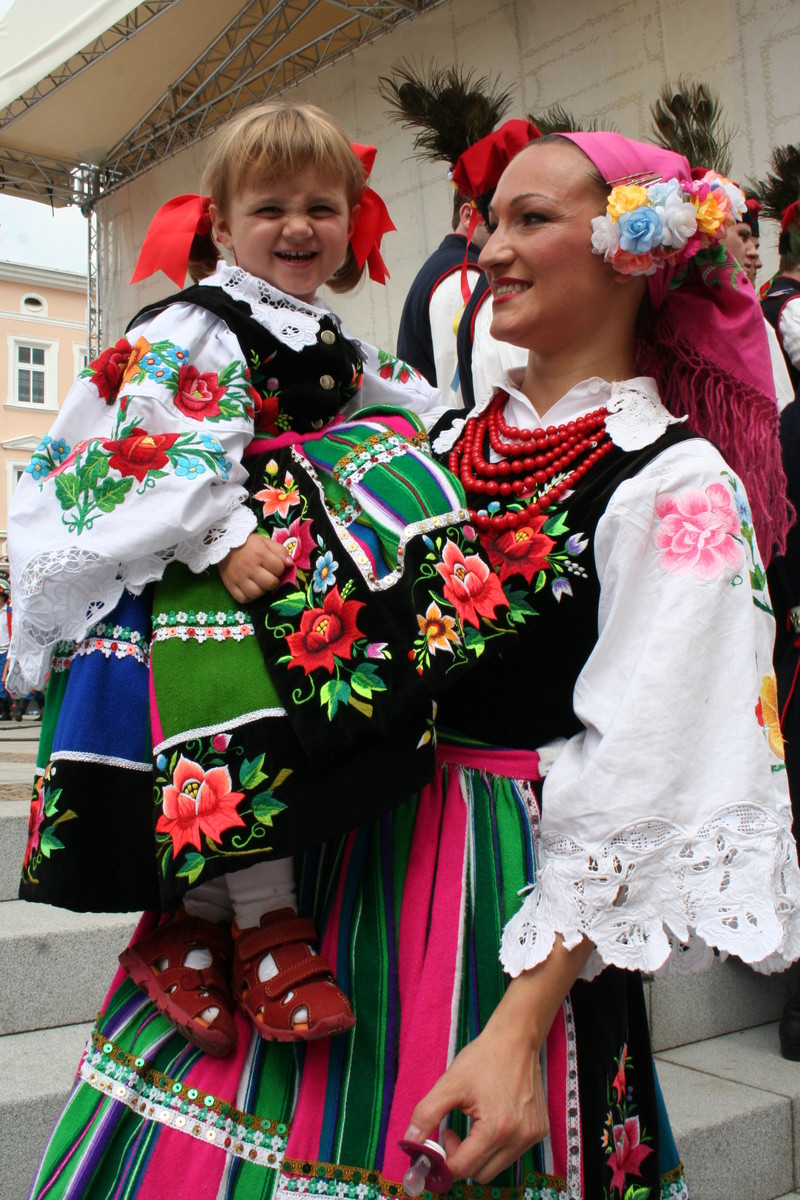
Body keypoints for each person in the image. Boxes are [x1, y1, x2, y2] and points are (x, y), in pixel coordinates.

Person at [24, 130, 800, 1200]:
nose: (488, 249)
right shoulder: (421, 438)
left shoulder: (674, 483)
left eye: (531, 220)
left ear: (635, 250)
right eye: (491, 221)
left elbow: (650, 768)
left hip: (493, 900)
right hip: (332, 853)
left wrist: (518, 1030)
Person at [9, 104, 510, 1060]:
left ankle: (193, 929)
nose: (298, 227)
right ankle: (267, 927)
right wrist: (222, 534)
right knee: (237, 722)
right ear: (222, 226)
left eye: (322, 207)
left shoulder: (321, 331)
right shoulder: (197, 321)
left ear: (351, 222)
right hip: (207, 561)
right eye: (270, 208)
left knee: (276, 718)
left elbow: (403, 401)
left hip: (281, 546)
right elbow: (159, 438)